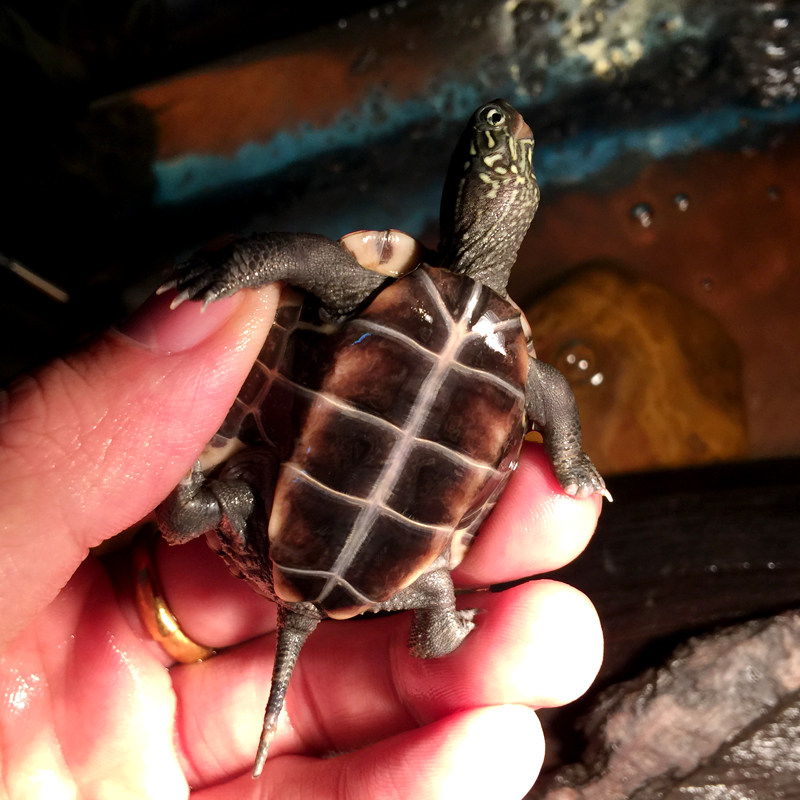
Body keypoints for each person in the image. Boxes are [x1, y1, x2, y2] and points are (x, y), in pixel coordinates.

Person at [0, 285, 603, 799]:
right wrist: (569, 463)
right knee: (435, 581)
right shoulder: (525, 374)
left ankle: (187, 510)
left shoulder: (372, 287)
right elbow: (549, 397)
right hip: (383, 562)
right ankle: (436, 630)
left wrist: (246, 268)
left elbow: (304, 266)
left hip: (267, 504)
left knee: (240, 494)